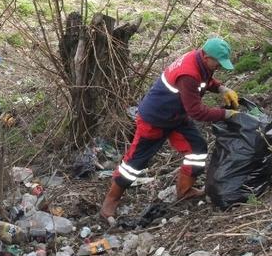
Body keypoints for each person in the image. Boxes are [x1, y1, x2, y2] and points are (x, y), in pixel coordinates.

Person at [100, 37, 240, 222]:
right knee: (134, 163)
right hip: (154, 119)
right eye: (218, 63)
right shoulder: (188, 73)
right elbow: (196, 111)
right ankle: (111, 199)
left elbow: (205, 80)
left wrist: (221, 88)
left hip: (176, 117)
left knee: (197, 149)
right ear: (206, 57)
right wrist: (225, 114)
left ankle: (184, 191)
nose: (219, 67)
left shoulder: (200, 61)